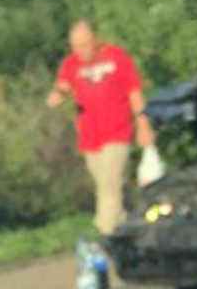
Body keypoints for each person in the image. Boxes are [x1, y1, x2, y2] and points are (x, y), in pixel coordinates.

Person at [46, 21, 156, 236]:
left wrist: (143, 127)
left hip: (117, 133)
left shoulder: (117, 58)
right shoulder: (71, 64)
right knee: (110, 188)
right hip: (90, 139)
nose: (79, 51)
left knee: (108, 187)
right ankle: (132, 228)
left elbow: (135, 94)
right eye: (75, 46)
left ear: (96, 40)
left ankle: (103, 233)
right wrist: (57, 95)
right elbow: (64, 85)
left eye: (84, 45)